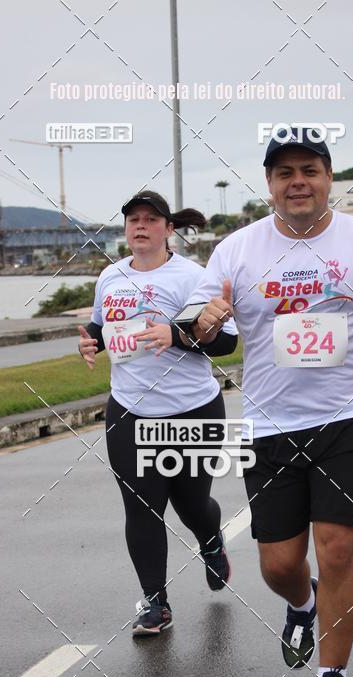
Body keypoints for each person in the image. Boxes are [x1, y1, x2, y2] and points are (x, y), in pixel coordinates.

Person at [188, 128, 353, 677]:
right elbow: (202, 332)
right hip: (272, 426)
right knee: (278, 563)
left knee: (341, 548)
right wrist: (208, 319)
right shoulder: (238, 250)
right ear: (270, 184)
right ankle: (302, 605)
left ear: (328, 178)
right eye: (284, 172)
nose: (297, 181)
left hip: (349, 418)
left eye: (310, 169)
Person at [78, 192, 238, 635]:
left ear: (169, 230)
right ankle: (155, 603)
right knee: (143, 508)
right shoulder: (110, 276)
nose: (141, 226)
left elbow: (225, 343)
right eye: (133, 220)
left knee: (191, 504)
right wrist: (91, 341)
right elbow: (101, 327)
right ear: (125, 229)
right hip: (129, 412)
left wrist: (179, 336)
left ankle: (210, 540)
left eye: (151, 219)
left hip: (191, 411)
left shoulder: (192, 278)